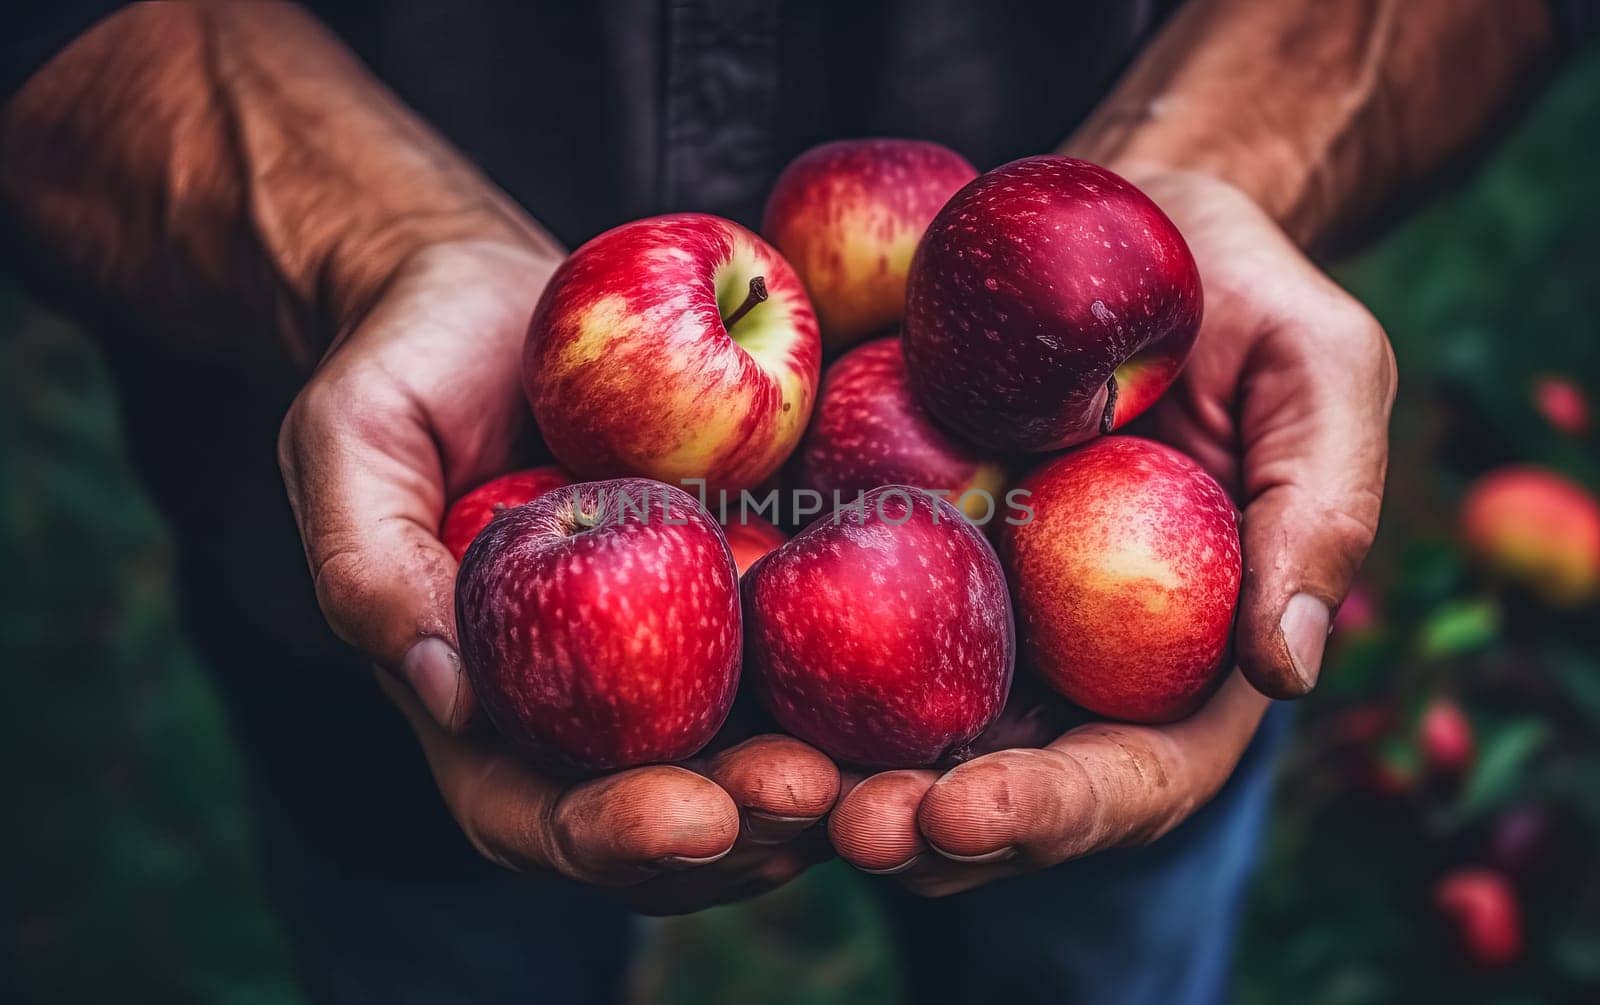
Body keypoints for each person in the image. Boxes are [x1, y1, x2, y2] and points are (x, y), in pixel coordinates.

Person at [0, 1, 1567, 1001]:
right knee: (434, 934)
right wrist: (369, 248)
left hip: (1107, 610)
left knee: (1091, 950)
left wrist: (1215, 164)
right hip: (405, 584)